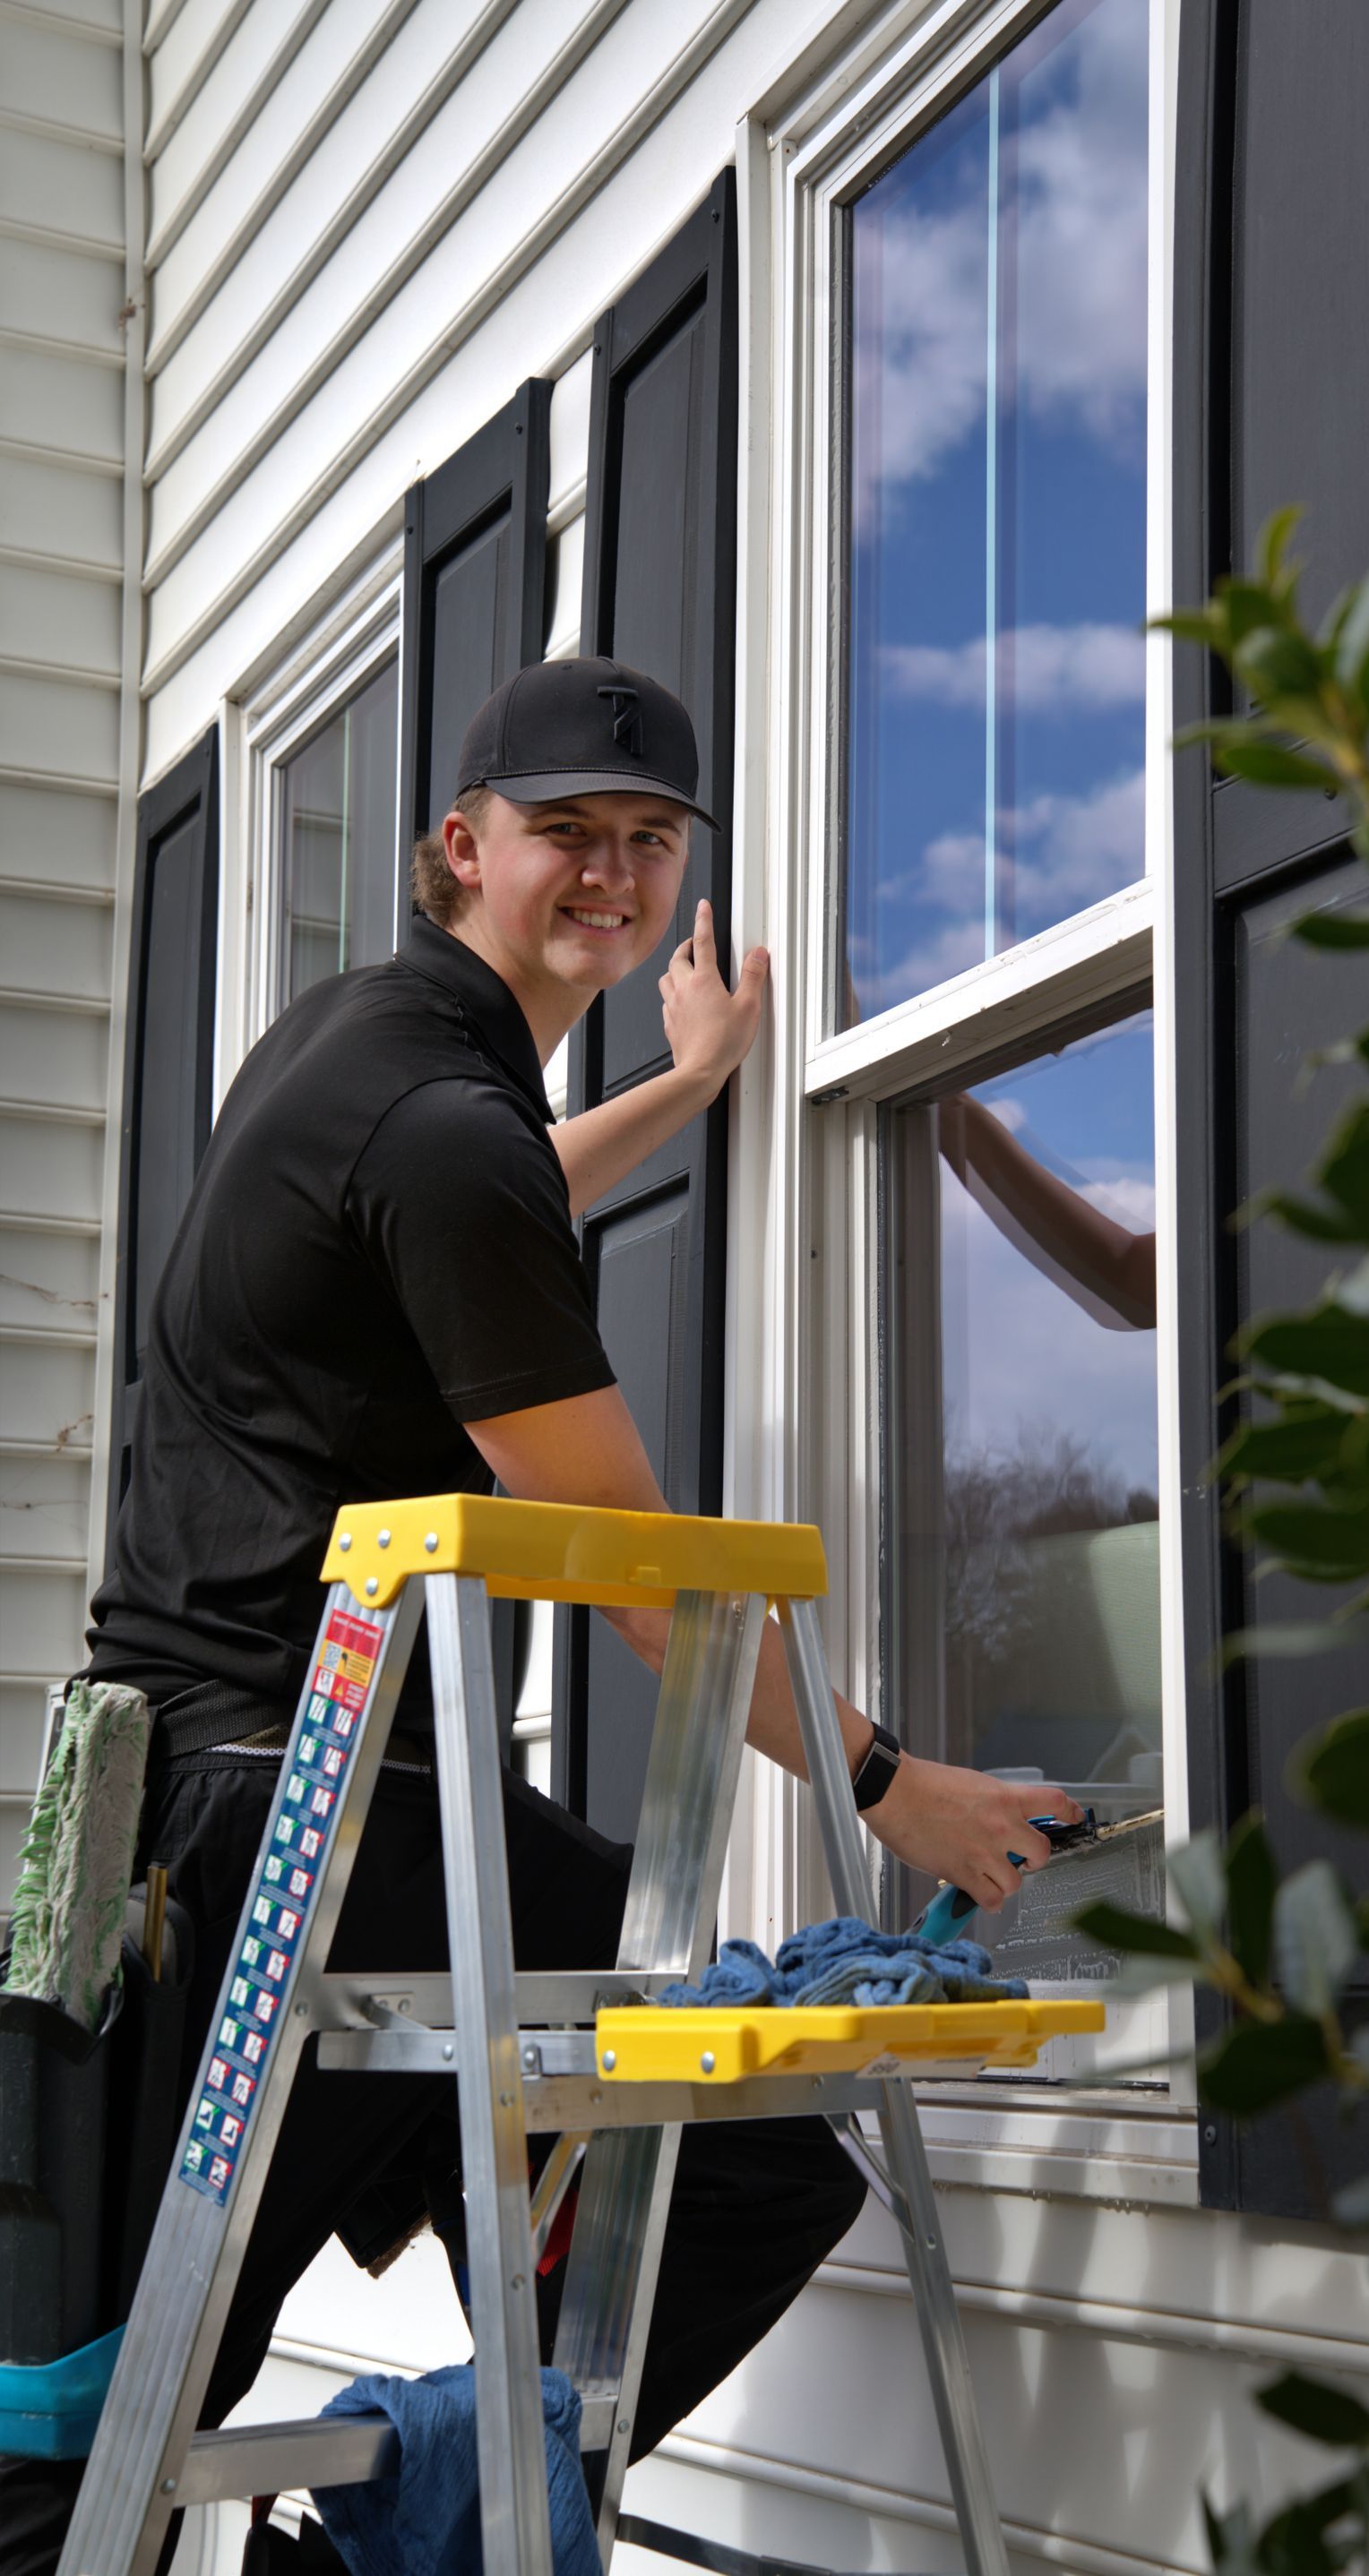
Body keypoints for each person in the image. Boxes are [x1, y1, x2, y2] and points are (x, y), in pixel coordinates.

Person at [2, 656, 1081, 2573]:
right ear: (461, 847)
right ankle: (414, 2503)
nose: (615, 870)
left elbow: (491, 1197)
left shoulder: (369, 1053)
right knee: (73, 2422)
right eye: (567, 833)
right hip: (300, 1832)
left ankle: (413, 2494)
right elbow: (646, 1587)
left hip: (208, 1809)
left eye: (650, 838)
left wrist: (683, 1083)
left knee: (93, 2401)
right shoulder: (446, 1130)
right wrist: (898, 1781)